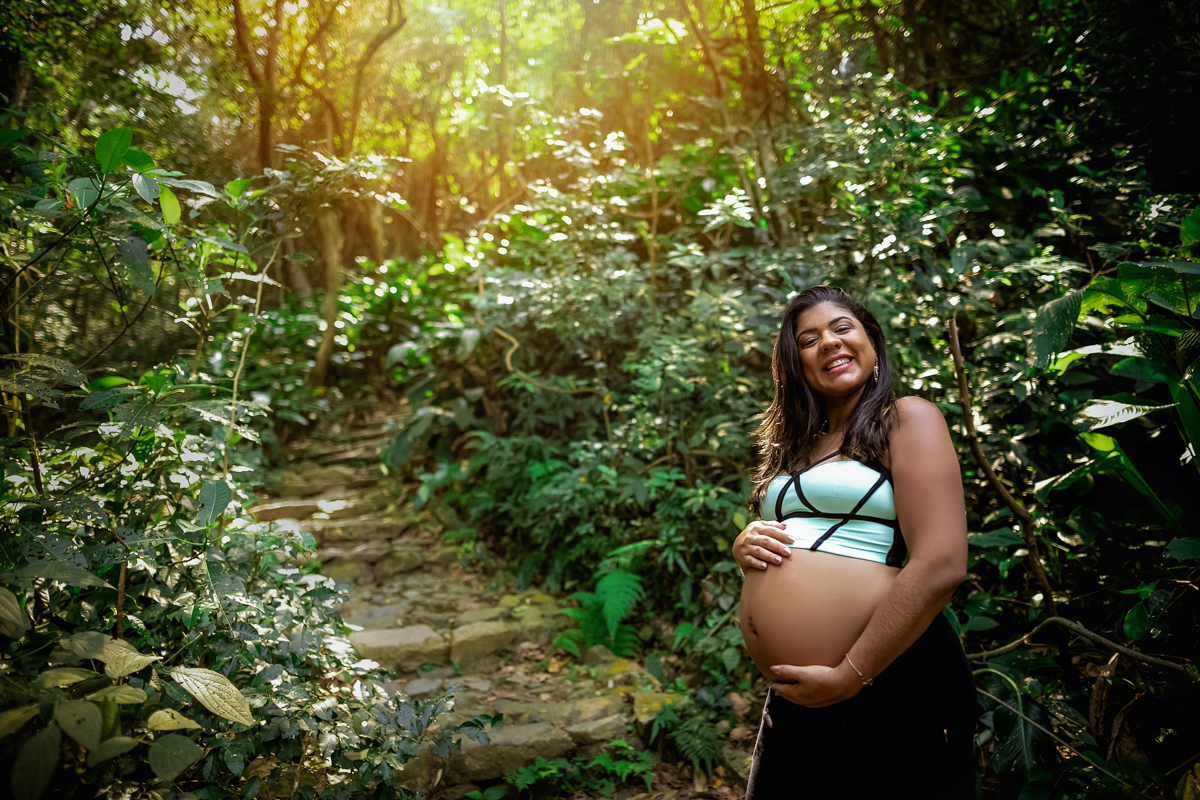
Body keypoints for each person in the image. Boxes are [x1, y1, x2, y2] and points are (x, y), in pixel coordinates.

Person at [731, 285, 977, 798]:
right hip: (798, 693)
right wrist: (746, 546)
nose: (829, 343)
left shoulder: (907, 418)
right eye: (809, 339)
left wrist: (851, 674)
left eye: (842, 328)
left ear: (871, 340)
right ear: (793, 363)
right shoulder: (798, 442)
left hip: (884, 677)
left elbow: (942, 562)